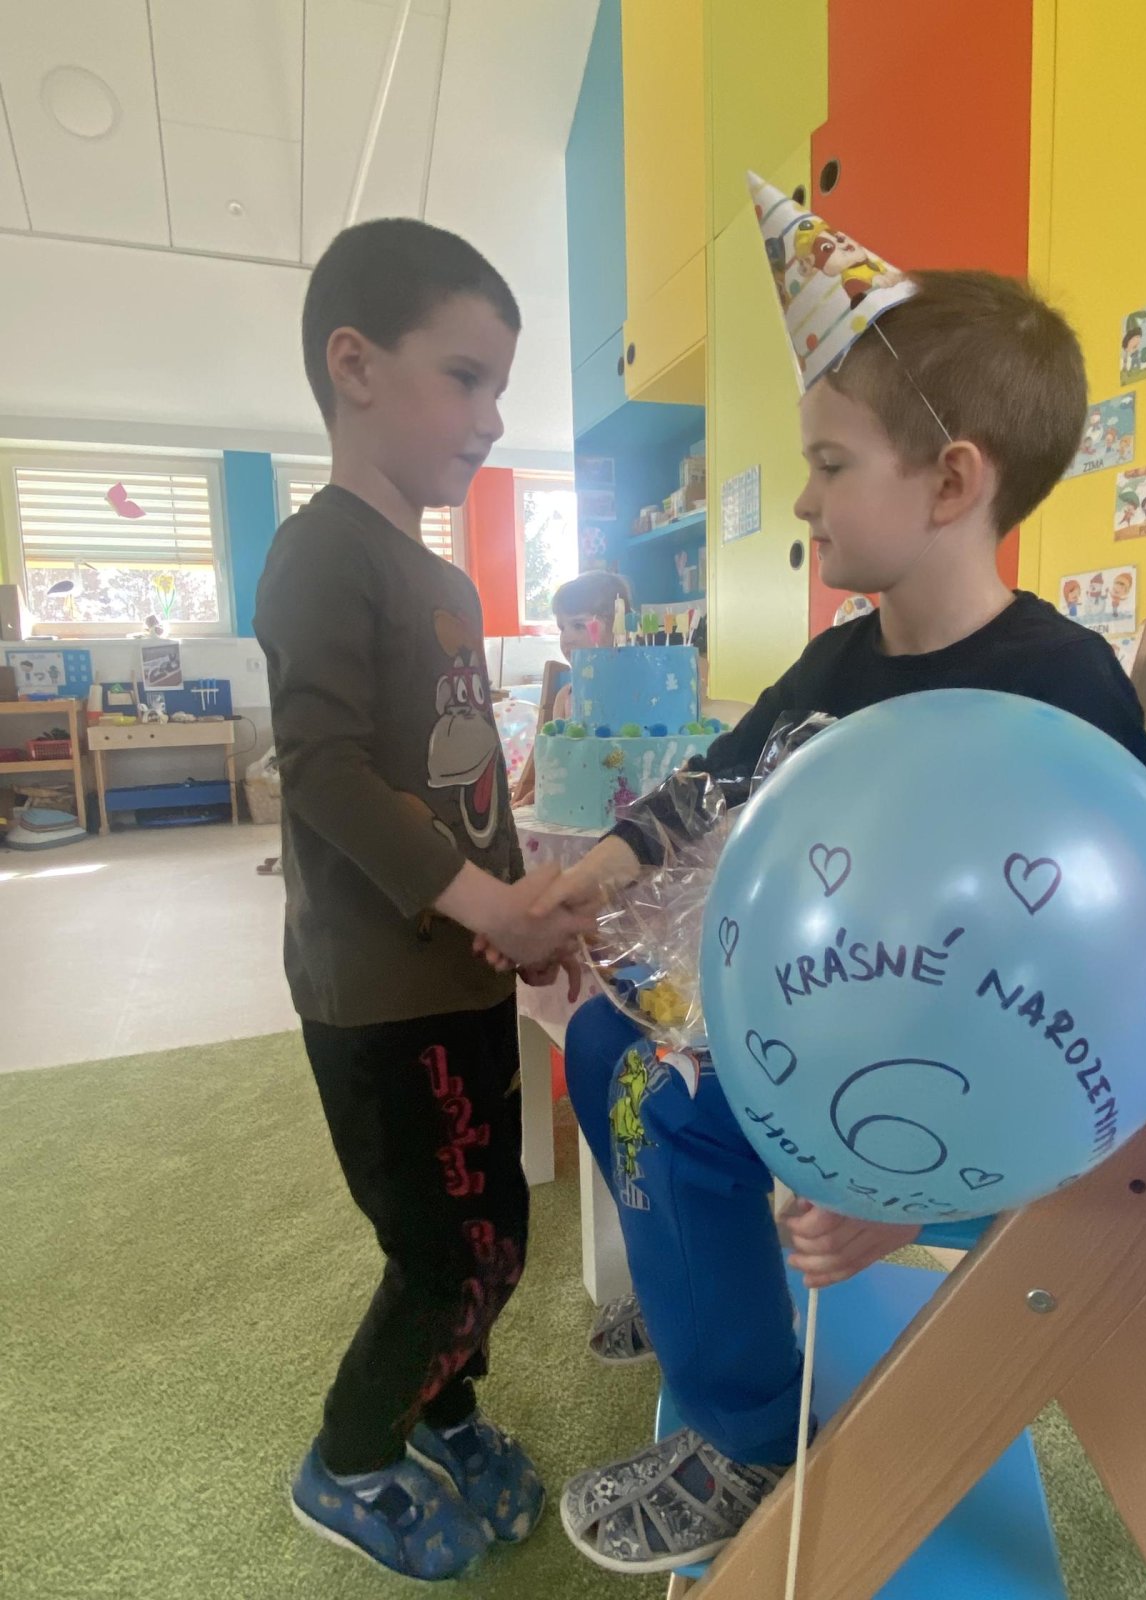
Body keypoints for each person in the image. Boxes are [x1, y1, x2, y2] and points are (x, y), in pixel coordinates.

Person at [484, 261, 1146, 1573]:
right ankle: (696, 1287)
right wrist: (591, 873)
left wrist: (909, 1189)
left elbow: (1100, 981)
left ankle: (745, 1437)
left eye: (830, 464)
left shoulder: (1060, 685)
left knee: (673, 1110)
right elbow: (715, 780)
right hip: (831, 1015)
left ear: (950, 483)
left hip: (971, 1075)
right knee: (609, 1044)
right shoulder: (843, 657)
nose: (801, 499)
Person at [254, 218, 595, 1582]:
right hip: (377, 995)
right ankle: (347, 1457)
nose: (492, 416)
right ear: (354, 365)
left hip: (454, 971)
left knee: (491, 1228)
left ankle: (444, 1412)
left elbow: (475, 795)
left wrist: (512, 909)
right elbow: (324, 769)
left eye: (500, 386)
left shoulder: (445, 576)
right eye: (465, 377)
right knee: (447, 1247)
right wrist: (482, 905)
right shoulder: (320, 553)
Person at [509, 569, 633, 806]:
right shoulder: (565, 697)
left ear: (619, 628)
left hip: (628, 806)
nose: (567, 638)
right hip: (576, 807)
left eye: (579, 625)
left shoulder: (636, 691)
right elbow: (560, 761)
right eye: (562, 628)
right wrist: (539, 793)